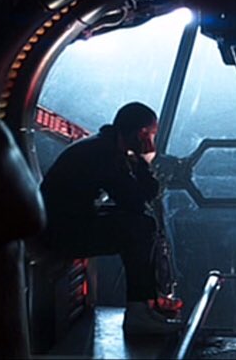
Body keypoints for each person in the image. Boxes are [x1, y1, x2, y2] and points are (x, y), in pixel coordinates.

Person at [40, 102, 182, 335]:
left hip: (61, 224)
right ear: (141, 134)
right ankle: (139, 311)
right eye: (150, 135)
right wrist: (144, 162)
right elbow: (135, 200)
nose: (151, 142)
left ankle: (145, 304)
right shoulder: (104, 155)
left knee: (140, 224)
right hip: (62, 232)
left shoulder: (103, 147)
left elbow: (134, 199)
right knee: (141, 227)